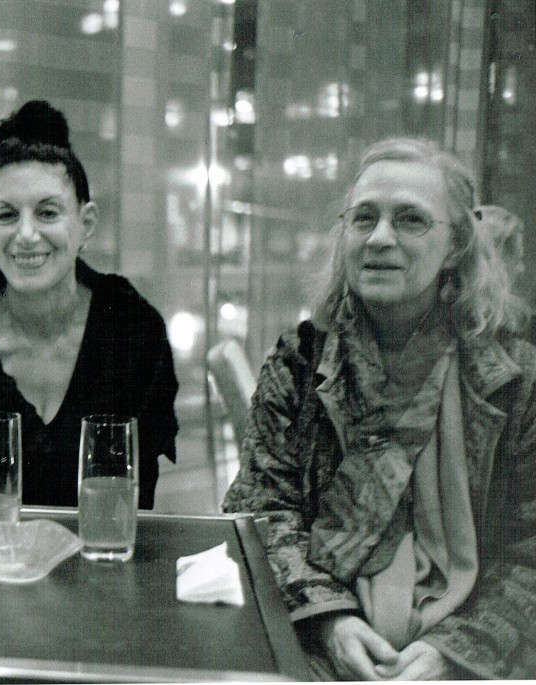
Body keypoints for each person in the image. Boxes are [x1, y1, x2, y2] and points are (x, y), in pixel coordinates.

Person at [222, 138, 536, 680]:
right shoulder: (300, 361)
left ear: (457, 245)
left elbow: (530, 548)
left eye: (411, 220)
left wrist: (451, 651)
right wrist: (332, 622)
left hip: (473, 654)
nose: (380, 238)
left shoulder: (514, 379)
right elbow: (260, 511)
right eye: (363, 218)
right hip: (319, 641)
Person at [0, 100, 178, 509]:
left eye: (47, 213)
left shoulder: (133, 331)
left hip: (104, 564)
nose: (25, 234)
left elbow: (136, 508)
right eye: (6, 215)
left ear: (85, 223)